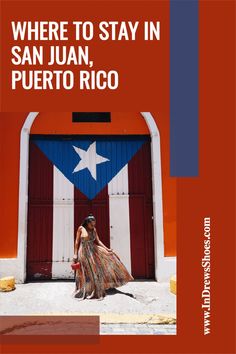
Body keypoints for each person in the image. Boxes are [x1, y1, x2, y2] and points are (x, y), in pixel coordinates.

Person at [72, 214, 134, 300]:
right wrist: (75, 254)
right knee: (86, 270)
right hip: (84, 251)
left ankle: (97, 289)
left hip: (93, 249)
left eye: (94, 224)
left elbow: (98, 241)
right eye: (91, 224)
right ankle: (87, 289)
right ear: (87, 222)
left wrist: (107, 249)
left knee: (98, 267)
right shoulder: (81, 228)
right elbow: (77, 241)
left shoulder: (94, 229)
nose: (93, 226)